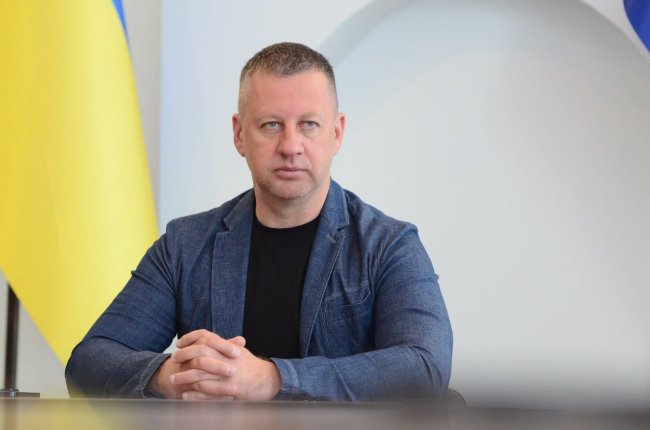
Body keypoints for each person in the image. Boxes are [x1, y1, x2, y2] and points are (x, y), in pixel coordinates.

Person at [65, 42, 453, 401]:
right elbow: (88, 362)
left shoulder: (389, 245)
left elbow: (425, 367)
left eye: (309, 124)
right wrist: (171, 375)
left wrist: (272, 379)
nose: (290, 146)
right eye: (271, 125)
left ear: (336, 133)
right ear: (239, 135)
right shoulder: (185, 246)